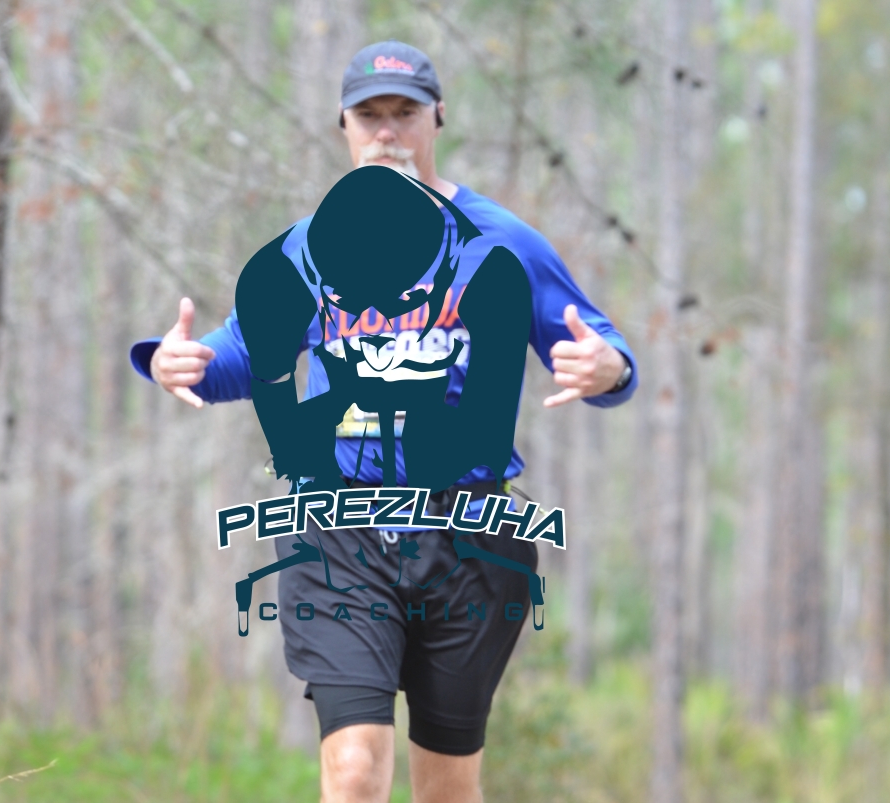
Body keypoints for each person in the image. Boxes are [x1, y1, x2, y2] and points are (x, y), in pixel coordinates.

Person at [131, 40, 636, 803]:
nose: (388, 131)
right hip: (340, 530)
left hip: (469, 534)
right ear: (344, 125)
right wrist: (179, 361)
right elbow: (239, 354)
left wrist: (609, 368)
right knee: (355, 770)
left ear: (438, 118)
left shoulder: (502, 242)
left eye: (406, 113)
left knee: (446, 789)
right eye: (370, 115)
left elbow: (598, 345)